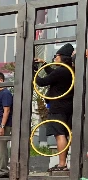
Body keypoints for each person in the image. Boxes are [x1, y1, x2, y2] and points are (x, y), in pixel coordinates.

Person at [34, 43, 74, 172]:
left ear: (60, 56)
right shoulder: (69, 70)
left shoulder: (61, 71)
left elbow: (42, 82)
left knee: (59, 134)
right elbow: (53, 74)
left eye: (55, 56)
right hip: (67, 106)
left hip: (58, 107)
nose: (54, 59)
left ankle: (62, 164)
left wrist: (31, 71)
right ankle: (64, 163)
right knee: (64, 134)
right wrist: (44, 63)